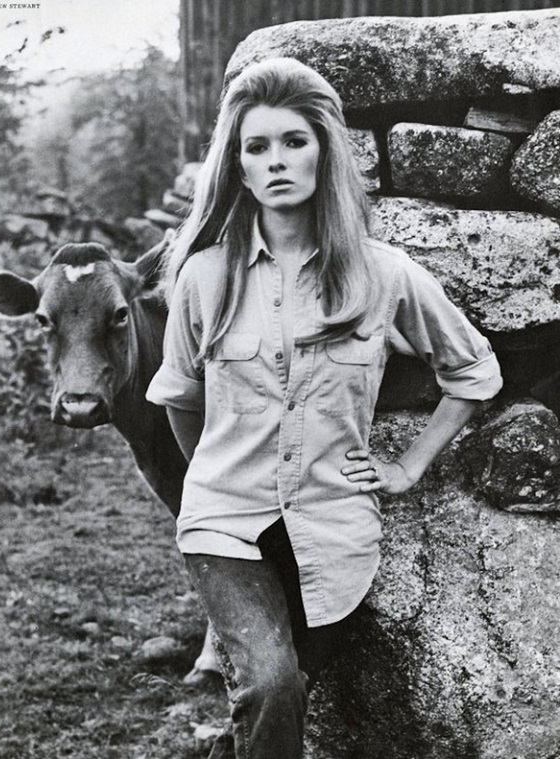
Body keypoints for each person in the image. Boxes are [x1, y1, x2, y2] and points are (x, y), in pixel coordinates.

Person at [146, 57, 503, 759]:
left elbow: (474, 371)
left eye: (294, 141)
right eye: (257, 147)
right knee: (273, 684)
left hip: (334, 532)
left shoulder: (383, 274)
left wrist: (407, 466)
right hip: (226, 527)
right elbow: (181, 398)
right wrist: (213, 476)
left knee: (273, 705)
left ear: (324, 153)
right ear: (238, 167)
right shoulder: (203, 277)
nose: (276, 160)